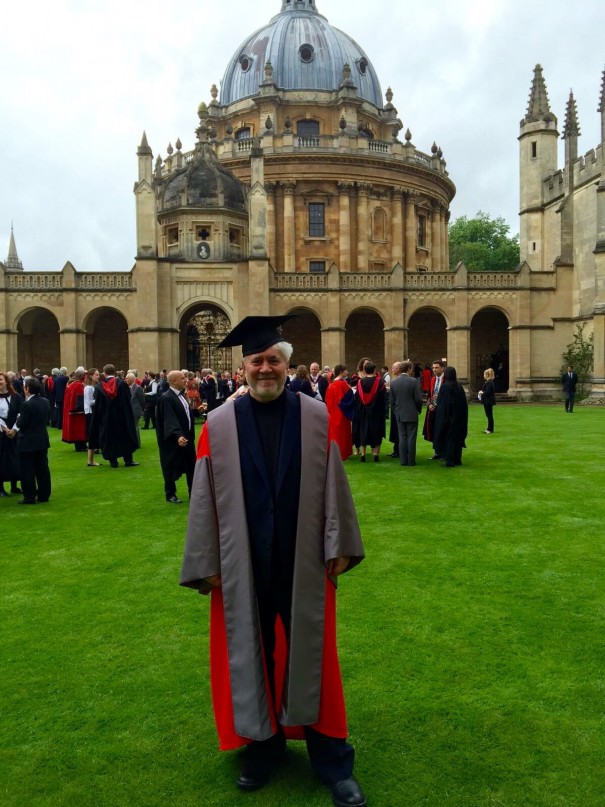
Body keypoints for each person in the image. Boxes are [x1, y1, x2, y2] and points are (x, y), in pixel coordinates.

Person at [180, 315, 366, 807]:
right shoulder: (217, 425)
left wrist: (339, 544)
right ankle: (263, 749)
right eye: (257, 361)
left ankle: (332, 761)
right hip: (243, 565)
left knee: (315, 658)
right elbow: (203, 500)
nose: (266, 368)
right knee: (251, 657)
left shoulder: (314, 416)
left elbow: (333, 487)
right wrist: (206, 561)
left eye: (274, 360)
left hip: (302, 559)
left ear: (288, 365)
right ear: (244, 367)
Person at [5, 377, 51, 504]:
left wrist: (19, 417)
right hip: (42, 439)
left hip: (28, 441)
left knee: (27, 470)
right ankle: (44, 494)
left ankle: (29, 496)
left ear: (27, 389)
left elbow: (21, 423)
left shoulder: (27, 404)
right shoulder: (45, 401)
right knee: (42, 469)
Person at [156, 370, 196, 504]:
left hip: (187, 438)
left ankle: (193, 492)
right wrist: (178, 435)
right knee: (170, 465)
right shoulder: (166, 398)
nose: (186, 380)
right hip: (173, 440)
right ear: (173, 381)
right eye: (182, 378)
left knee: (192, 465)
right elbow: (169, 419)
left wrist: (196, 411)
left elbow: (183, 414)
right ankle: (170, 493)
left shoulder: (182, 396)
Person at [88, 364, 140, 468]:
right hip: (121, 417)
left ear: (104, 373)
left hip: (106, 419)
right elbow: (127, 400)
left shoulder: (99, 387)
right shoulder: (121, 384)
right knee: (125, 437)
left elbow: (98, 406)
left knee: (109, 439)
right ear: (114, 372)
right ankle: (128, 461)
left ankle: (113, 462)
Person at [433, 366, 468, 467]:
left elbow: (444, 405)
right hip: (458, 417)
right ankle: (457, 459)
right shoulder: (459, 386)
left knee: (448, 439)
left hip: (448, 418)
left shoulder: (445, 386)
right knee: (456, 438)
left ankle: (449, 460)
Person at [389, 360, 423, 466]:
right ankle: (411, 460)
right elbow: (418, 399)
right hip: (411, 412)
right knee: (411, 437)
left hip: (399, 413)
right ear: (408, 369)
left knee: (402, 437)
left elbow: (392, 401)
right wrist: (418, 409)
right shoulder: (413, 382)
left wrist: (396, 412)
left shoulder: (394, 382)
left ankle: (403, 460)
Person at [353, 361, 386, 462]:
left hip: (363, 412)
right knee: (376, 431)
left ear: (365, 370)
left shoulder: (360, 382)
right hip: (376, 411)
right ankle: (375, 453)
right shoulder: (380, 382)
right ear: (375, 370)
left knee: (363, 430)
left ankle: (363, 453)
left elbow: (358, 399)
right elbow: (383, 399)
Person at [0, 372, 23, 496]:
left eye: (1, 380)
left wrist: (13, 430)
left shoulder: (16, 397)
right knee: (1, 459)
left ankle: (14, 485)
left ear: (6, 382)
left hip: (14, 433)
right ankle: (1, 487)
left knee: (15, 458)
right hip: (1, 433)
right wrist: (4, 429)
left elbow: (21, 414)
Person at [324, 364, 354, 460]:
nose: (347, 372)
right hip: (342, 413)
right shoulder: (343, 384)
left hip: (332, 413)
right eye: (345, 370)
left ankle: (334, 454)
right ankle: (343, 453)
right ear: (341, 371)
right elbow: (349, 398)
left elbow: (327, 400)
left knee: (334, 434)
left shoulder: (331, 385)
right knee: (342, 434)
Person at [422, 360, 445, 460]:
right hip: (432, 409)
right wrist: (429, 405)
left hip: (442, 409)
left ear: (442, 368)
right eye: (433, 368)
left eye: (437, 367)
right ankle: (437, 452)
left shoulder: (446, 380)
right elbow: (429, 395)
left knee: (442, 430)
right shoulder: (432, 379)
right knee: (433, 430)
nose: (434, 369)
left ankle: (443, 452)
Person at [62, 367, 88, 452]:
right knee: (79, 428)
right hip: (77, 410)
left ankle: (80, 445)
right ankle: (81, 446)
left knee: (76, 428)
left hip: (71, 409)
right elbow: (80, 397)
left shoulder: (70, 384)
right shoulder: (78, 385)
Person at [84, 368, 101, 466]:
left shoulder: (92, 387)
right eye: (96, 375)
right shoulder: (89, 388)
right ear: (91, 376)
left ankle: (91, 460)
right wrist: (100, 399)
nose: (98, 376)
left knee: (93, 435)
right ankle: (90, 461)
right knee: (92, 436)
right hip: (90, 413)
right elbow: (89, 402)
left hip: (92, 413)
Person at [125, 372, 145, 447]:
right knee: (131, 427)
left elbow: (142, 400)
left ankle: (137, 443)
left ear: (132, 379)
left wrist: (142, 409)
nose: (125, 379)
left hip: (135, 411)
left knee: (135, 427)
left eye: (127, 378)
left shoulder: (138, 388)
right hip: (129, 411)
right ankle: (132, 442)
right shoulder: (126, 387)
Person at [478, 368, 496, 433]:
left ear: (487, 375)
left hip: (488, 401)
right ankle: (489, 428)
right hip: (489, 401)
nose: (483, 376)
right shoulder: (490, 382)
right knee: (489, 415)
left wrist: (482, 392)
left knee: (489, 415)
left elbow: (488, 392)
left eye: (484, 374)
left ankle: (490, 429)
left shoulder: (489, 382)